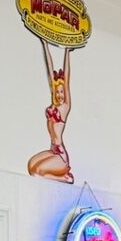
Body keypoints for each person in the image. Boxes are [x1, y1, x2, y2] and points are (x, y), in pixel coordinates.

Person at [27, 43, 73, 183]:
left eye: (61, 92)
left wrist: (67, 52)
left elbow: (66, 78)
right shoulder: (53, 105)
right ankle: (60, 175)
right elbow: (49, 69)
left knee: (38, 173)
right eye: (57, 91)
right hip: (52, 150)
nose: (59, 94)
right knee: (31, 168)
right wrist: (44, 43)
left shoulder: (64, 107)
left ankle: (66, 178)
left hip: (60, 157)